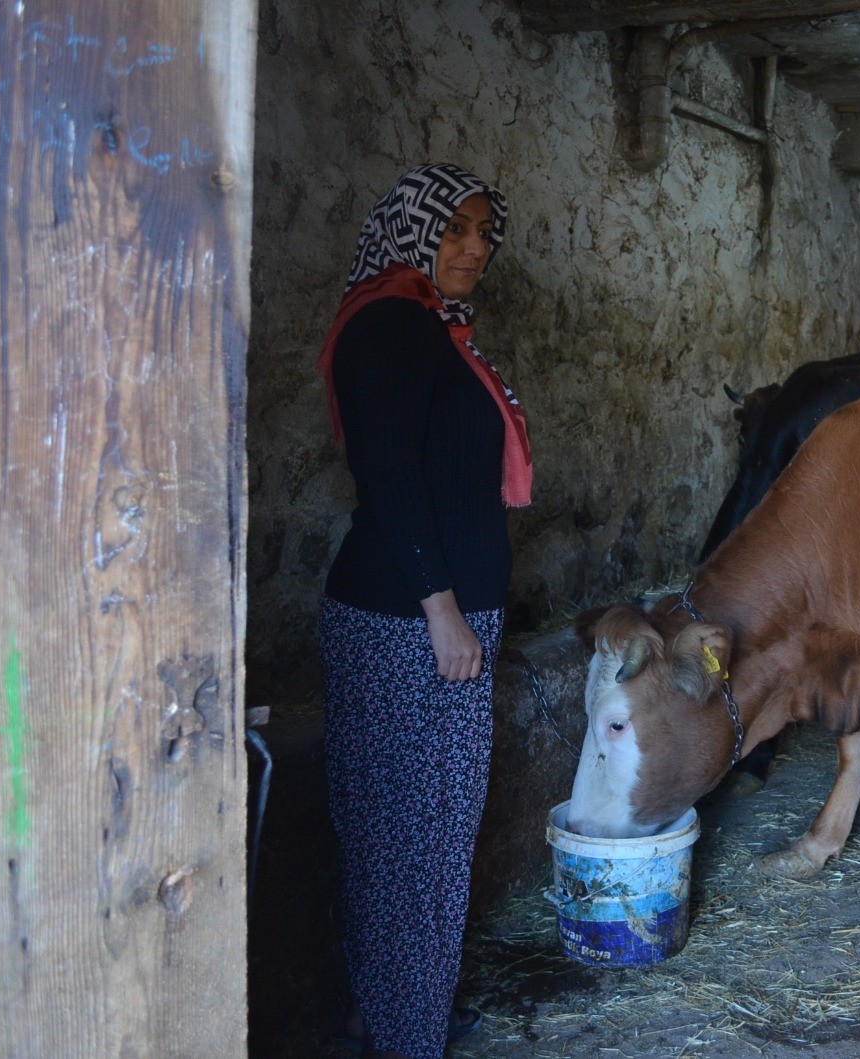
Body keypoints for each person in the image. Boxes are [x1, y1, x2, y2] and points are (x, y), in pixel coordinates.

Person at [315, 163, 533, 1059]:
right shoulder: (394, 326)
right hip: (408, 624)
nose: (475, 247)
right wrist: (443, 612)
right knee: (417, 835)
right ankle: (407, 1035)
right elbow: (393, 481)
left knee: (410, 828)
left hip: (426, 619)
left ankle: (390, 1010)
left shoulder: (429, 328)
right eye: (456, 229)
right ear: (413, 232)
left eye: (485, 232)